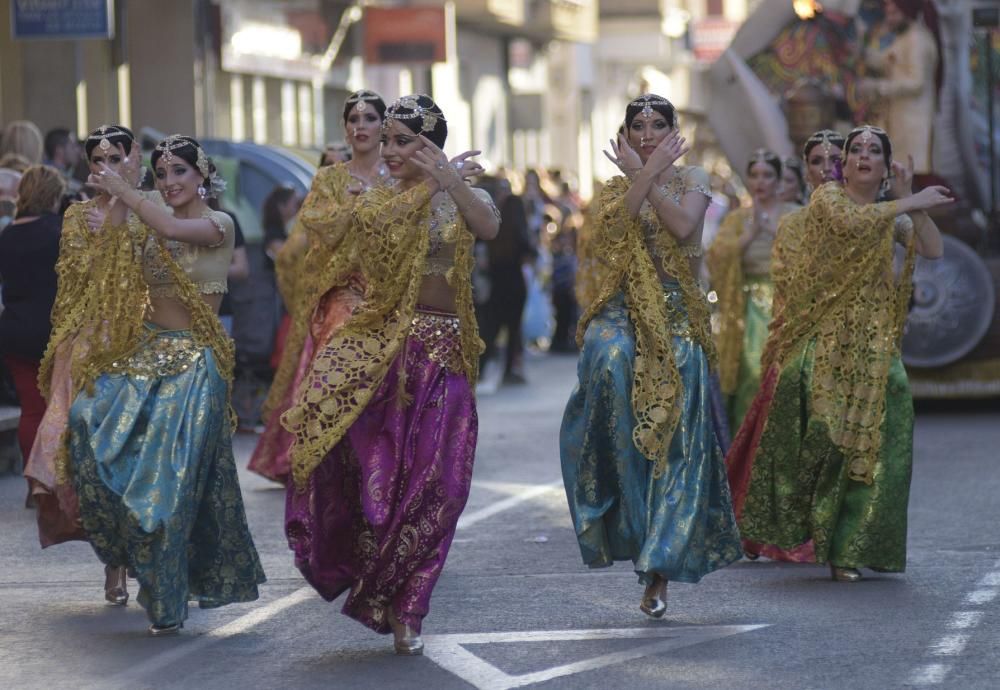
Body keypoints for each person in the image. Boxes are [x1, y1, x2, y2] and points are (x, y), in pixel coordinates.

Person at [282, 94, 495, 656]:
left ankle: (411, 605)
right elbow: (383, 230)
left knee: (444, 486)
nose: (390, 149)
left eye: (405, 140)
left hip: (446, 352)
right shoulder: (377, 204)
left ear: (430, 145)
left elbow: (489, 224)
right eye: (389, 139)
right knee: (381, 488)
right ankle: (388, 594)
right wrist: (435, 182)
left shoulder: (457, 194)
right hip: (386, 355)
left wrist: (449, 180)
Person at [55, 133, 265, 634]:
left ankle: (166, 597)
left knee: (166, 490)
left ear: (203, 176)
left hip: (196, 365)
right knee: (85, 422)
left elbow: (169, 224)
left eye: (179, 173)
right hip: (144, 355)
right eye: (162, 173)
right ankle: (124, 556)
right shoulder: (145, 215)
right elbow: (107, 254)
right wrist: (111, 196)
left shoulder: (219, 223)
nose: (169, 182)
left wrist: (129, 194)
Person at [726, 125, 951, 582]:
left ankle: (851, 545)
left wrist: (911, 199)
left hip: (873, 337)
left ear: (886, 169)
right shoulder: (829, 200)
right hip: (826, 334)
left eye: (874, 151)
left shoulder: (893, 211)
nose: (863, 156)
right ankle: (813, 529)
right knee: (830, 434)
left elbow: (932, 248)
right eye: (856, 150)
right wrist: (910, 201)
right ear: (843, 164)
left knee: (887, 424)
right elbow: (853, 224)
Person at [560, 94, 742, 620]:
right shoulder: (614, 191)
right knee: (608, 367)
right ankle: (626, 528)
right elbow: (610, 242)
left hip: (678, 319)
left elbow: (685, 228)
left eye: (656, 124)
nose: (645, 132)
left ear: (673, 132)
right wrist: (642, 176)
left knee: (676, 446)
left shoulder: (695, 180)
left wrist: (653, 176)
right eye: (636, 125)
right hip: (623, 314)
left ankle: (659, 567)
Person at [250, 89, 389, 484]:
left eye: (369, 119)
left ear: (384, 127)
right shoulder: (329, 179)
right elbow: (314, 231)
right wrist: (351, 208)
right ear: (345, 129)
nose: (360, 126)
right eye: (353, 120)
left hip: (392, 293)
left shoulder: (398, 175)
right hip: (343, 297)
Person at [707, 150, 798, 431]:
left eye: (767, 175)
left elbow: (806, 259)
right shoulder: (737, 218)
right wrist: (750, 233)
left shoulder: (794, 215)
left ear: (779, 179)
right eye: (754, 175)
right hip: (746, 308)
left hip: (785, 303)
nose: (760, 182)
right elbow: (717, 258)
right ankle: (744, 450)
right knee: (748, 369)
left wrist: (771, 232)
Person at [0, 166, 64, 506]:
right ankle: (53, 485)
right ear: (53, 196)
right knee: (58, 409)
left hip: (14, 332)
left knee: (31, 410)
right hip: (53, 332)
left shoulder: (7, 234)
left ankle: (33, 483)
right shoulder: (59, 231)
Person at [860, 0, 942, 176]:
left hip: (913, 120)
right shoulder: (905, 37)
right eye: (888, 13)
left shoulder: (917, 39)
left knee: (911, 175)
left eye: (894, 14)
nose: (889, 19)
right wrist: (862, 54)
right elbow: (888, 61)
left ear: (907, 12)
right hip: (900, 118)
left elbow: (916, 83)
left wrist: (878, 87)